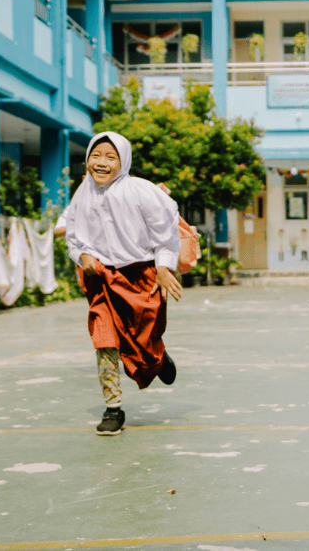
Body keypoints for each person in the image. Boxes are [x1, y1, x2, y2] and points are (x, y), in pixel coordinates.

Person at [64, 131, 184, 436]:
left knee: (144, 339)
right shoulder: (82, 195)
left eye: (110, 157)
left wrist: (163, 267)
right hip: (101, 279)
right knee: (104, 341)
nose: (101, 163)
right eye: (96, 155)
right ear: (87, 159)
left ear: (124, 160)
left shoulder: (141, 191)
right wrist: (82, 256)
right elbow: (72, 237)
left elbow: (166, 231)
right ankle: (113, 408)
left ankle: (156, 355)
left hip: (142, 276)